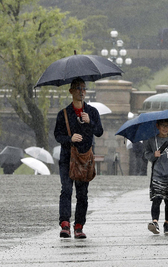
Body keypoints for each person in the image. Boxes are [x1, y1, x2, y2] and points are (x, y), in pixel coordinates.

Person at [54, 77, 103, 239]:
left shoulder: (92, 112)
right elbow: (57, 135)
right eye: (78, 88)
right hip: (67, 158)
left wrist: (90, 122)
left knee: (82, 194)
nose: (81, 91)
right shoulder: (64, 114)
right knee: (66, 190)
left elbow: (99, 132)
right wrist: (70, 139)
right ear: (71, 91)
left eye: (83, 88)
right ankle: (65, 223)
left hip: (84, 158)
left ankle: (79, 226)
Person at [143, 118, 168, 235]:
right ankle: (155, 222)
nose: (165, 128)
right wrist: (153, 155)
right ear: (157, 126)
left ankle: (167, 223)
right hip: (157, 175)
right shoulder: (152, 140)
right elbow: (147, 154)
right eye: (162, 125)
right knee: (157, 199)